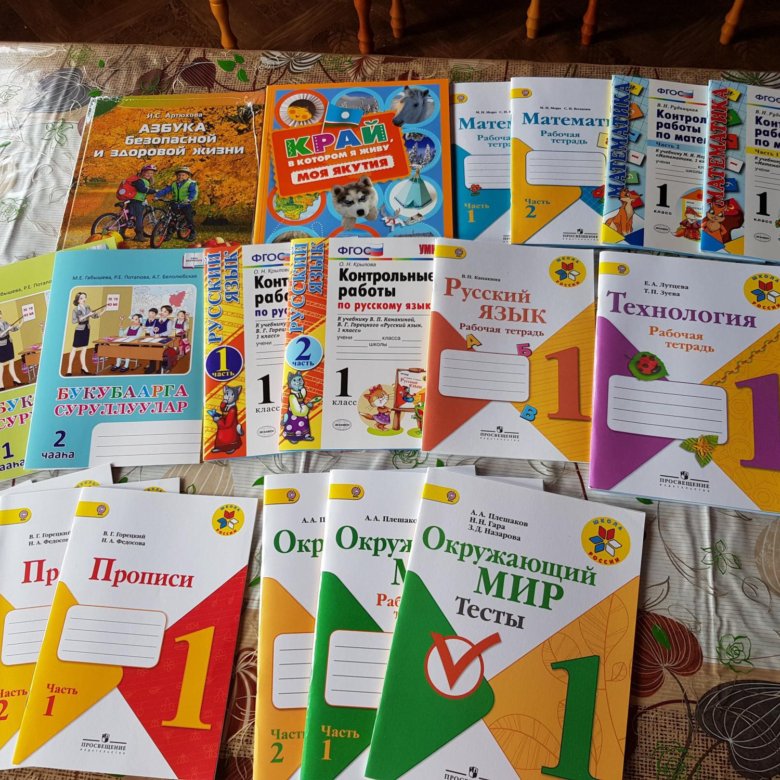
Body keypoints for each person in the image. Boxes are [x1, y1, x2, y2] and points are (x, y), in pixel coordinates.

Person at [156, 166, 198, 239]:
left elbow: (193, 192)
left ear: (187, 176)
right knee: (171, 218)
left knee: (189, 218)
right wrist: (157, 195)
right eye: (179, 175)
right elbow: (166, 190)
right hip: (175, 203)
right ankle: (169, 233)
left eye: (183, 175)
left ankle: (193, 232)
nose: (180, 176)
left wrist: (189, 199)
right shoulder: (174, 184)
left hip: (185, 204)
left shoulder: (191, 183)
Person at [67, 292, 102, 376]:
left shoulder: (87, 307)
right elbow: (74, 321)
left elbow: (95, 316)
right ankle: (69, 370)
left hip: (87, 329)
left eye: (85, 297)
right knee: (74, 349)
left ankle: (84, 368)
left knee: (84, 349)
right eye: (81, 298)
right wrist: (87, 315)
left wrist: (104, 311)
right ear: (78, 300)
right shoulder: (75, 310)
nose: (84, 299)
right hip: (79, 330)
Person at [127, 164, 157, 242]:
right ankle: (139, 236)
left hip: (135, 200)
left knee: (129, 216)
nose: (149, 174)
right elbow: (142, 189)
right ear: (143, 172)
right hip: (136, 201)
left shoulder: (143, 180)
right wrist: (154, 191)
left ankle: (122, 232)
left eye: (151, 173)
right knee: (139, 218)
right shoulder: (139, 180)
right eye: (147, 173)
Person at [145, 304, 173, 374]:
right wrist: (152, 334)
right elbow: (152, 329)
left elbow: (169, 332)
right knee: (152, 352)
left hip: (163, 339)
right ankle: (152, 367)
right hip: (155, 338)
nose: (162, 313)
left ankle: (161, 369)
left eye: (165, 311)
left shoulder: (169, 321)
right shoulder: (156, 320)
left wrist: (160, 335)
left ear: (169, 314)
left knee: (161, 354)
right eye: (162, 311)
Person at [0, 309, 22, 388]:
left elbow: (14, 329)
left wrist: (21, 322)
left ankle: (15, 379)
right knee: (1, 365)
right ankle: (1, 385)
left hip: (9, 344)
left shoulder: (5, 322)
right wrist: (7, 329)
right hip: (1, 346)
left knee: (11, 362)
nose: (0, 316)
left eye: (0, 314)